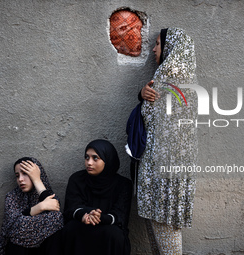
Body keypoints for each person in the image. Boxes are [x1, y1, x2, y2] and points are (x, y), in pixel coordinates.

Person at [137, 28, 198, 254]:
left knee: (166, 240)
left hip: (164, 181)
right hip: (160, 175)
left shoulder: (173, 83)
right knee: (161, 240)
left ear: (171, 48)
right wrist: (141, 94)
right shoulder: (170, 80)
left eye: (158, 43)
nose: (153, 49)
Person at [63, 139, 132, 255]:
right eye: (87, 157)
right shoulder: (76, 179)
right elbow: (71, 208)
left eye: (95, 158)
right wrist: (85, 214)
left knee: (114, 234)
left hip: (108, 227)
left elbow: (120, 216)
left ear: (108, 160)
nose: (89, 163)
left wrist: (100, 217)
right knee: (71, 228)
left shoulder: (123, 184)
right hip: (82, 224)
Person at [0, 157, 64, 255]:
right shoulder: (11, 197)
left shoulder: (51, 197)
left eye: (26, 173)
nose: (20, 179)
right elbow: (14, 227)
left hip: (43, 249)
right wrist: (40, 207)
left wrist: (37, 180)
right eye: (17, 175)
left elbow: (57, 218)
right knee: (16, 238)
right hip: (19, 250)